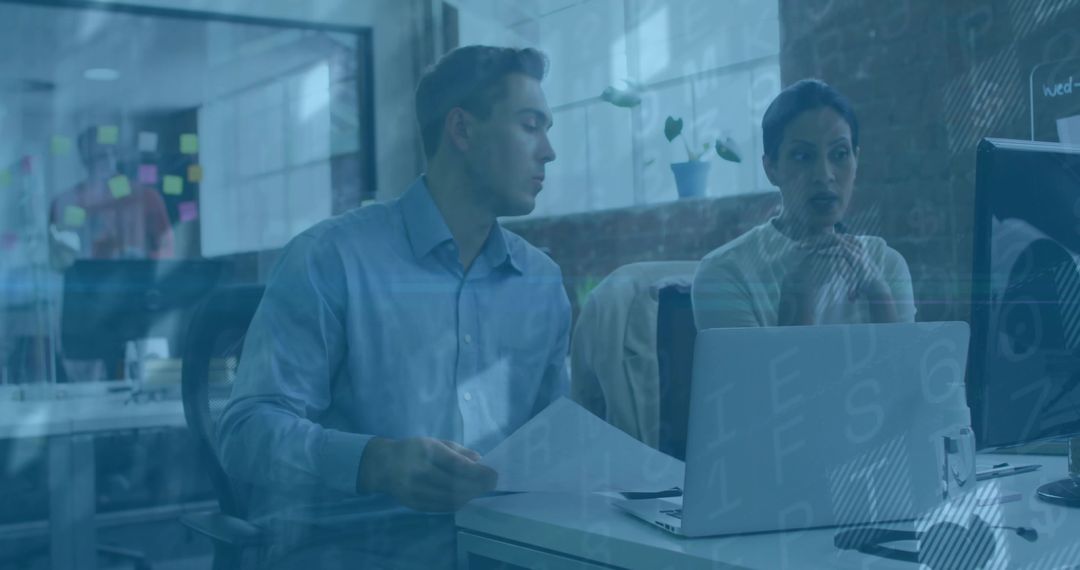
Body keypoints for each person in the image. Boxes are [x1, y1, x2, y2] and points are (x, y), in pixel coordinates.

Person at [217, 45, 567, 569]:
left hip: (498, 552)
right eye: (530, 125)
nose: (548, 152)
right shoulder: (329, 258)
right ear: (463, 130)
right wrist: (375, 462)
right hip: (354, 552)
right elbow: (246, 433)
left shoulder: (541, 281)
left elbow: (554, 442)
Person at [693, 79, 916, 328]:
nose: (824, 175)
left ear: (856, 160)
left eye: (840, 154)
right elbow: (768, 369)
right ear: (771, 168)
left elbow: (904, 366)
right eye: (802, 156)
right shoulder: (725, 274)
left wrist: (879, 295)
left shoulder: (885, 263)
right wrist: (798, 300)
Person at [49, 127, 173, 261]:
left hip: (136, 277)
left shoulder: (146, 198)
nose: (106, 161)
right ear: (84, 159)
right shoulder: (66, 203)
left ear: (116, 156)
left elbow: (167, 249)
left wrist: (142, 262)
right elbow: (57, 258)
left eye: (111, 153)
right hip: (85, 278)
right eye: (96, 156)